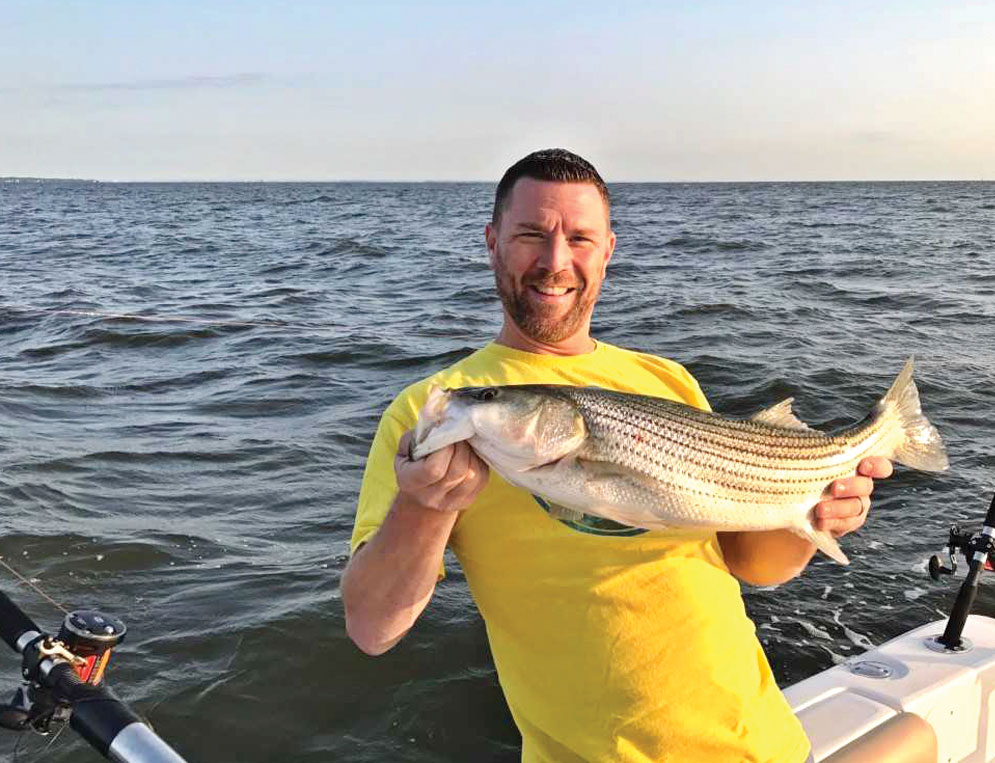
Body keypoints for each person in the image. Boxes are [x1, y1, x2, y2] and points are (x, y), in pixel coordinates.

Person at [341, 149, 892, 763]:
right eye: (530, 235)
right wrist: (423, 508)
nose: (555, 261)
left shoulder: (668, 379)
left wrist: (814, 514)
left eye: (579, 238)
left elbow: (753, 565)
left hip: (762, 742)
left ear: (607, 251)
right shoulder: (432, 412)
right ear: (493, 243)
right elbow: (372, 629)